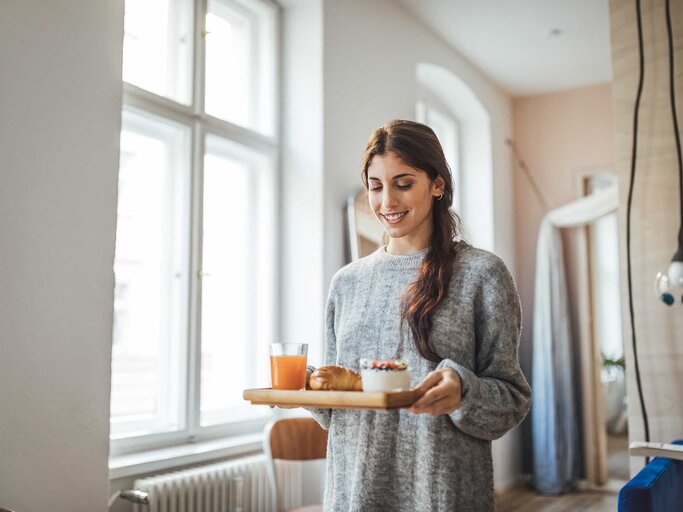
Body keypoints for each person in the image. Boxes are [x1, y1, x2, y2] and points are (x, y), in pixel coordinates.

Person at [307, 119, 531, 511]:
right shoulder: (346, 282)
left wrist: (463, 390)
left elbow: (511, 400)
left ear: (438, 184)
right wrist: (306, 387)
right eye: (376, 186)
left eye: (403, 183)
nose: (387, 202)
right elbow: (337, 411)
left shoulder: (481, 274)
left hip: (441, 495)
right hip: (352, 495)